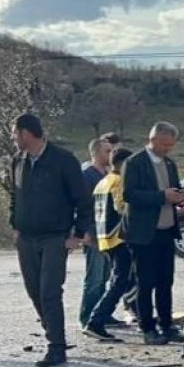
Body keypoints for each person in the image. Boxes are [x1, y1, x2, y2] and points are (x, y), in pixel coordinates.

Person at [8, 113, 95, 367]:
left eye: (14, 133)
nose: (13, 138)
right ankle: (52, 333)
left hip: (55, 237)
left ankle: (57, 348)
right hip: (26, 237)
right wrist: (14, 224)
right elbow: (15, 195)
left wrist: (78, 234)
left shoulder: (63, 160)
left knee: (49, 291)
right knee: (34, 290)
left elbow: (83, 199)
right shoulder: (17, 161)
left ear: (26, 133)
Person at [122, 122, 184, 346]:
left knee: (165, 281)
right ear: (154, 139)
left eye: (171, 145)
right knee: (145, 282)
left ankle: (167, 325)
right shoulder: (135, 162)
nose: (168, 149)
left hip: (167, 231)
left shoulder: (170, 163)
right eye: (165, 144)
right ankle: (147, 327)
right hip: (144, 233)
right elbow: (129, 194)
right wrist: (161, 196)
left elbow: (174, 190)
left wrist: (179, 198)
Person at [83, 147, 134, 342]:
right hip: (118, 237)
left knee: (120, 280)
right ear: (124, 164)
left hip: (105, 238)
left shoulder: (102, 182)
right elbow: (121, 207)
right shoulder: (119, 181)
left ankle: (100, 318)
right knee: (120, 281)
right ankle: (96, 321)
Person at [78, 136, 115, 330]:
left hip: (109, 234)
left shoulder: (108, 175)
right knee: (94, 278)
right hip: (93, 235)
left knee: (106, 278)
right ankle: (87, 318)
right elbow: (82, 206)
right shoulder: (87, 176)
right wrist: (83, 231)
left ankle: (102, 314)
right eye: (106, 151)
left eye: (111, 151)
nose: (110, 155)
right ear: (95, 153)